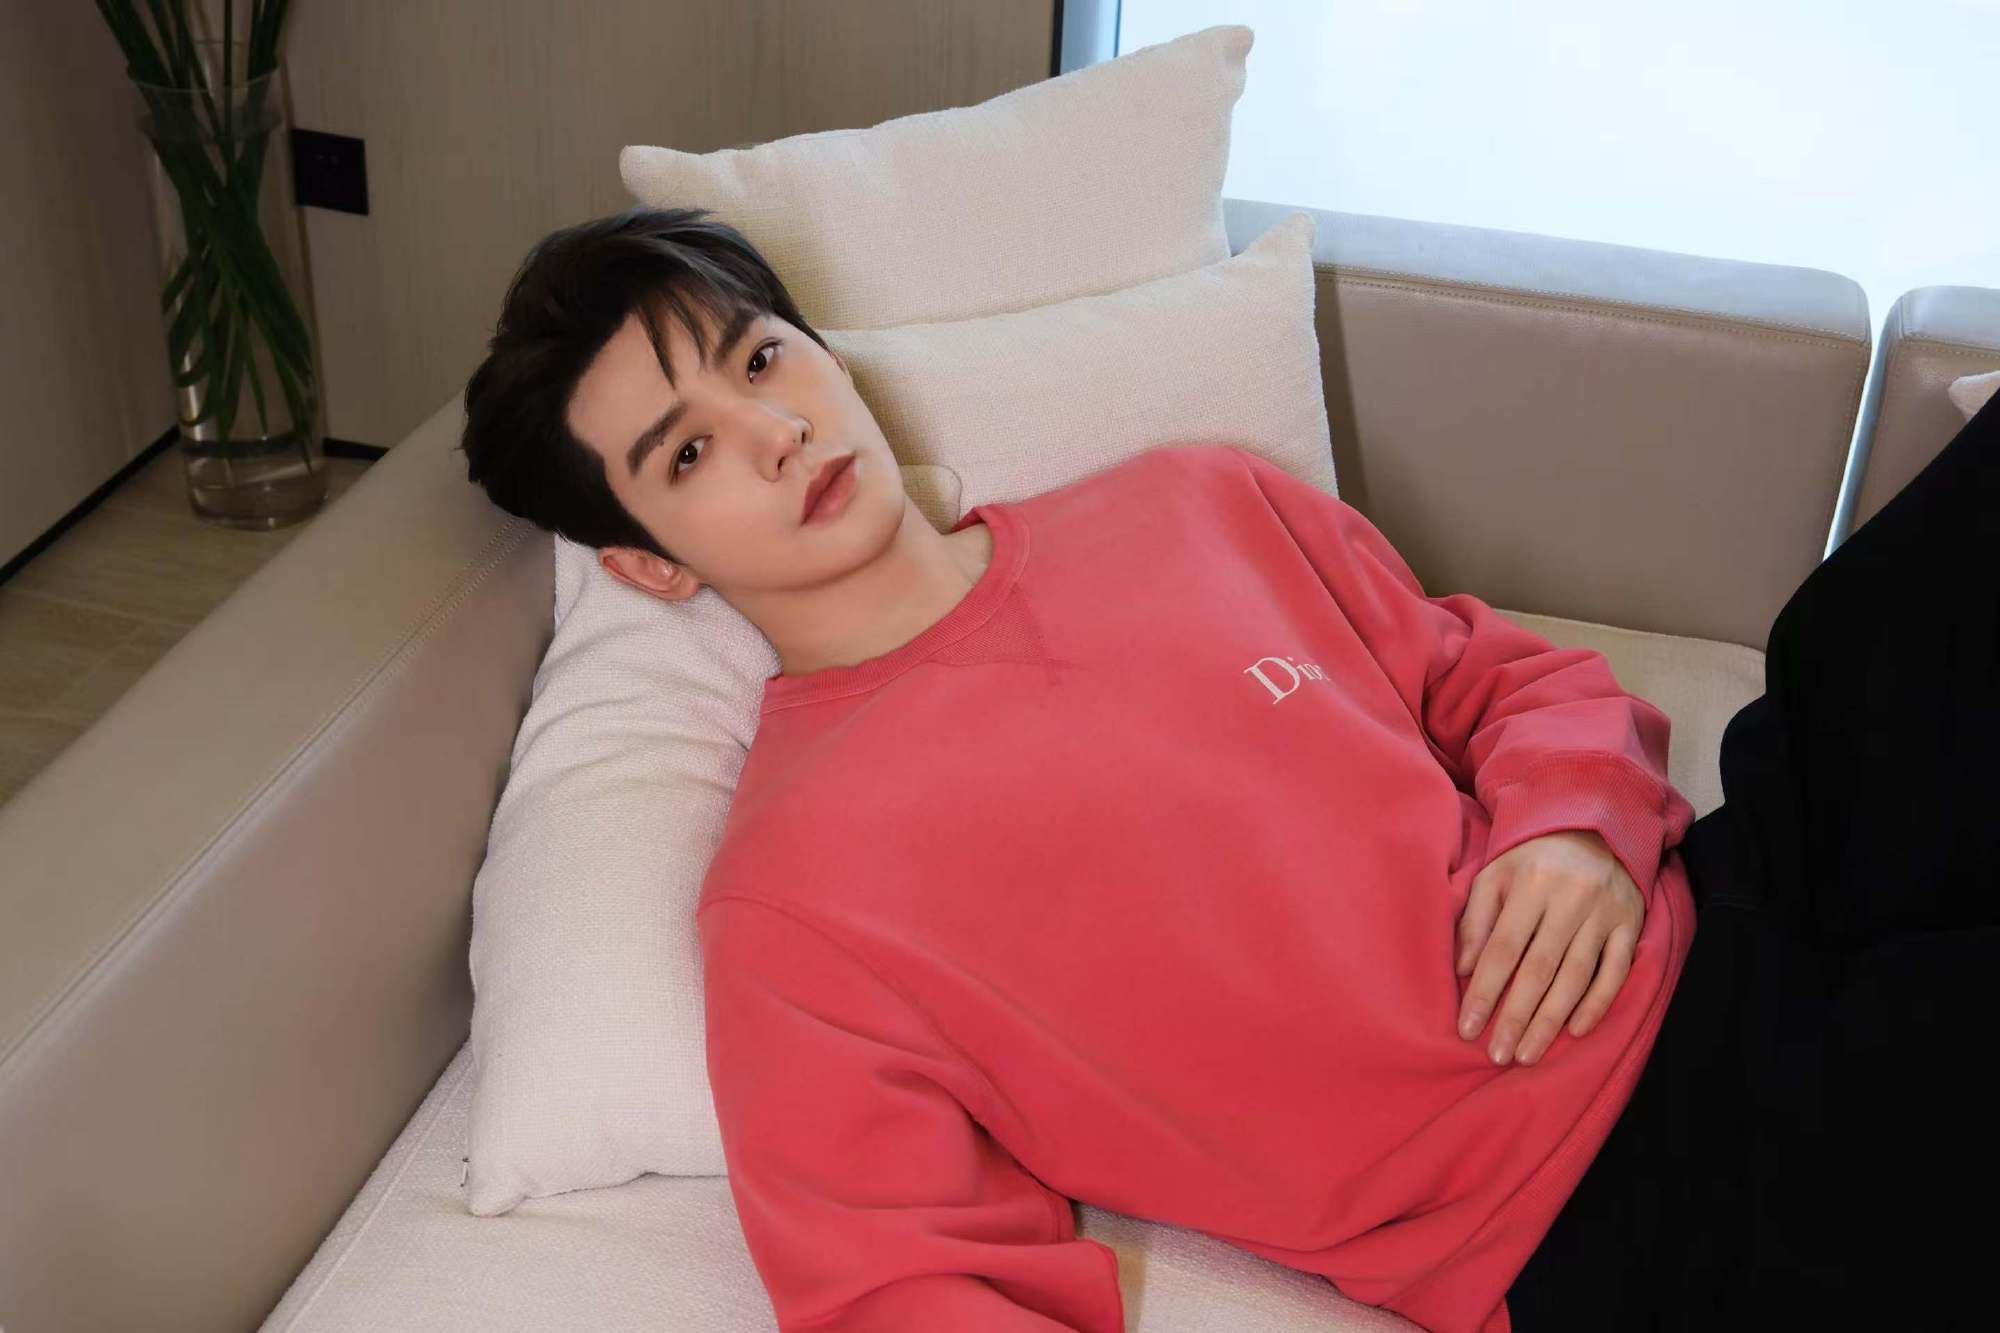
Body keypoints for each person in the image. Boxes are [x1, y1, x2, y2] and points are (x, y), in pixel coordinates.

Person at [456, 205, 1992, 1331]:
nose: (773, 431)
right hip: (1634, 1187)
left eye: (758, 359)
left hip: (1728, 872)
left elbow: (1500, 679)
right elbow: (906, 1288)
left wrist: (1575, 826)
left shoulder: (1191, 497)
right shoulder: (794, 904)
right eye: (687, 453)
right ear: (648, 564)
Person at [1504, 376, 1999, 1331]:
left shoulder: (1215, 503)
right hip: (1612, 1184)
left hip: (1712, 873)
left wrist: (1577, 808)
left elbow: (1481, 664)